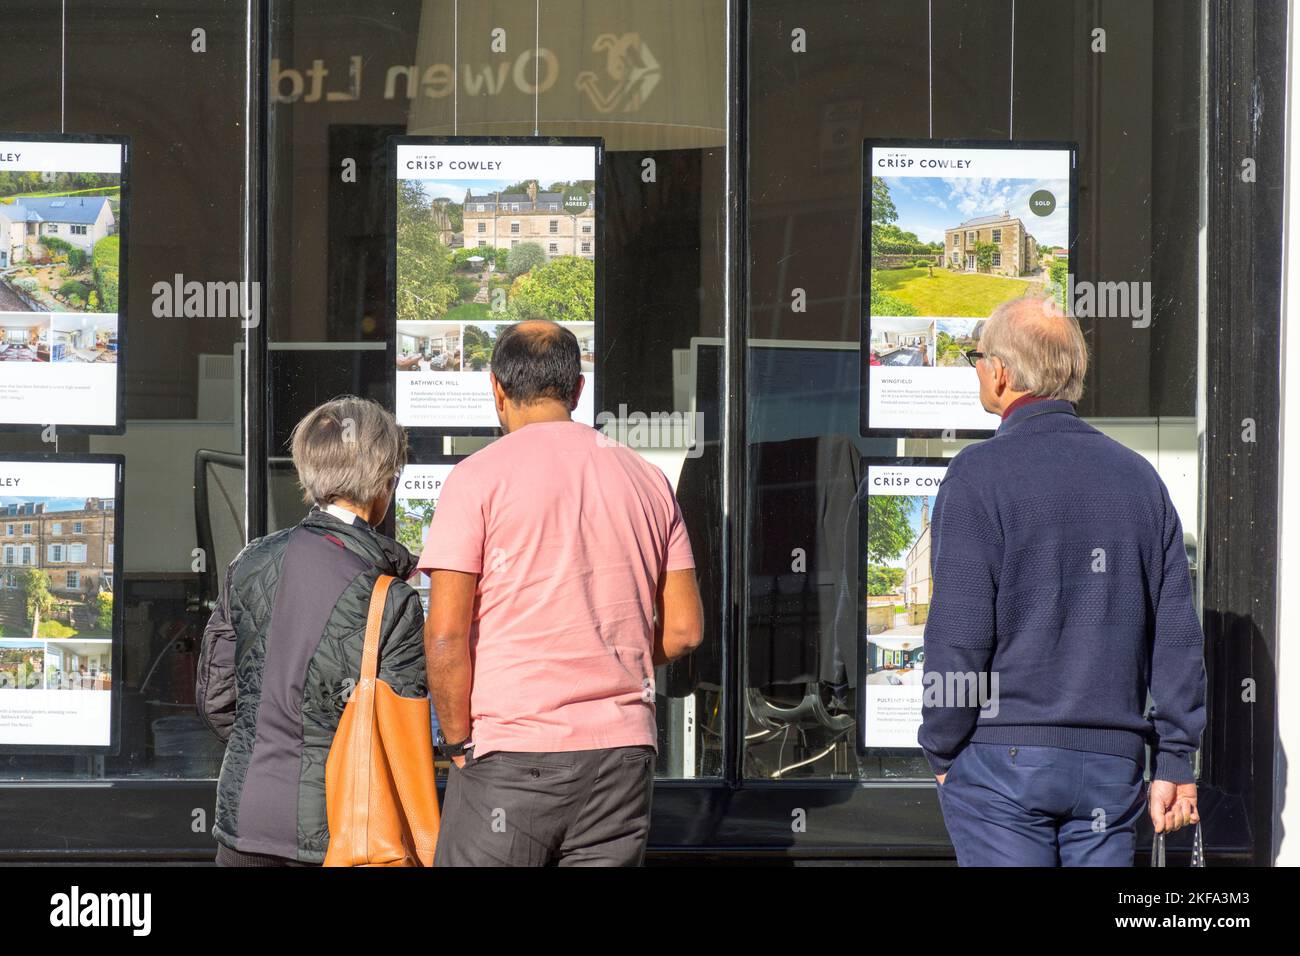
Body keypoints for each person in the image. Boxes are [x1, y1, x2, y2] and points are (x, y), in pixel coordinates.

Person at [920, 296, 1206, 866]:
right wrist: (1175, 759)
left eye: (976, 357)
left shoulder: (977, 475)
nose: (977, 368)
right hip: (1111, 768)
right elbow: (1176, 634)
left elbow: (959, 635)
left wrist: (941, 749)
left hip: (1002, 765)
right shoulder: (1139, 480)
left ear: (1000, 372)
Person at [422, 319, 703, 867]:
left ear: (496, 391)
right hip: (620, 756)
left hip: (511, 751)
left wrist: (458, 745)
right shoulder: (648, 481)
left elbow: (447, 635)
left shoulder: (476, 479)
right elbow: (685, 631)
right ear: (578, 390)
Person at [197, 396, 428, 867]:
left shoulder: (249, 563)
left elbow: (215, 699)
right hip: (345, 831)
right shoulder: (391, 597)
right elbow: (404, 740)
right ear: (384, 483)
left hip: (245, 823)